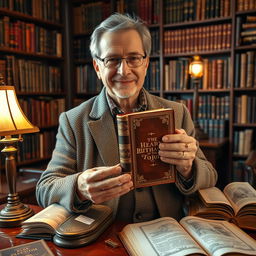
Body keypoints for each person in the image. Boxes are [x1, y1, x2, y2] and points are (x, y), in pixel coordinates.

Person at [36, 13, 217, 222]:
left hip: (168, 233)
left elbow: (210, 176)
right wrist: (79, 187)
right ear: (97, 67)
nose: (124, 70)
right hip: (107, 237)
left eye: (133, 58)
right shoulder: (73, 121)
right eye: (112, 59)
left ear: (146, 63)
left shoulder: (177, 113)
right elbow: (45, 187)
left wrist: (187, 168)